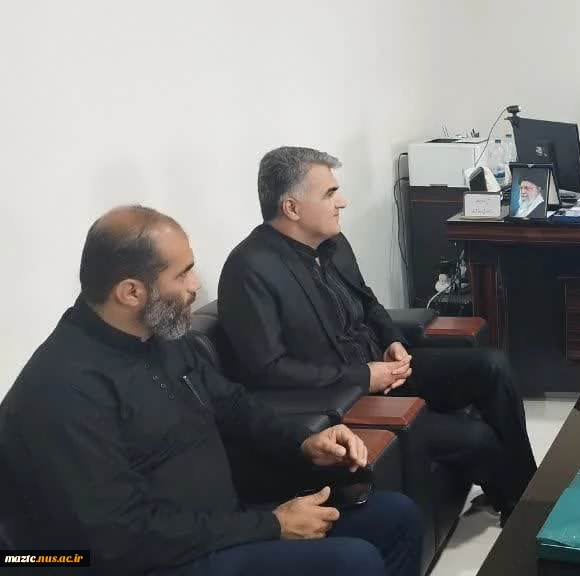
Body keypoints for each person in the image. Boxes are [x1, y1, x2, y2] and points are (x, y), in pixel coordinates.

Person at [0, 206, 423, 576]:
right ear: (131, 292)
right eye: (182, 273)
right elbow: (117, 535)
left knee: (396, 517)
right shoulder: (63, 390)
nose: (196, 285)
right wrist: (271, 526)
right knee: (351, 562)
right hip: (156, 559)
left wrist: (304, 442)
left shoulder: (162, 337)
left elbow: (233, 405)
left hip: (221, 523)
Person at [217, 146, 537, 523]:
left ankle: (530, 496)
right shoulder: (249, 270)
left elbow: (368, 302)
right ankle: (518, 508)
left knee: (493, 365)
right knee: (477, 438)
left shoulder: (333, 244)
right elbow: (267, 370)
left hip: (385, 367)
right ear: (292, 208)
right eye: (330, 194)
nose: (343, 202)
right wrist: (364, 377)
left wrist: (392, 340)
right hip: (348, 397)